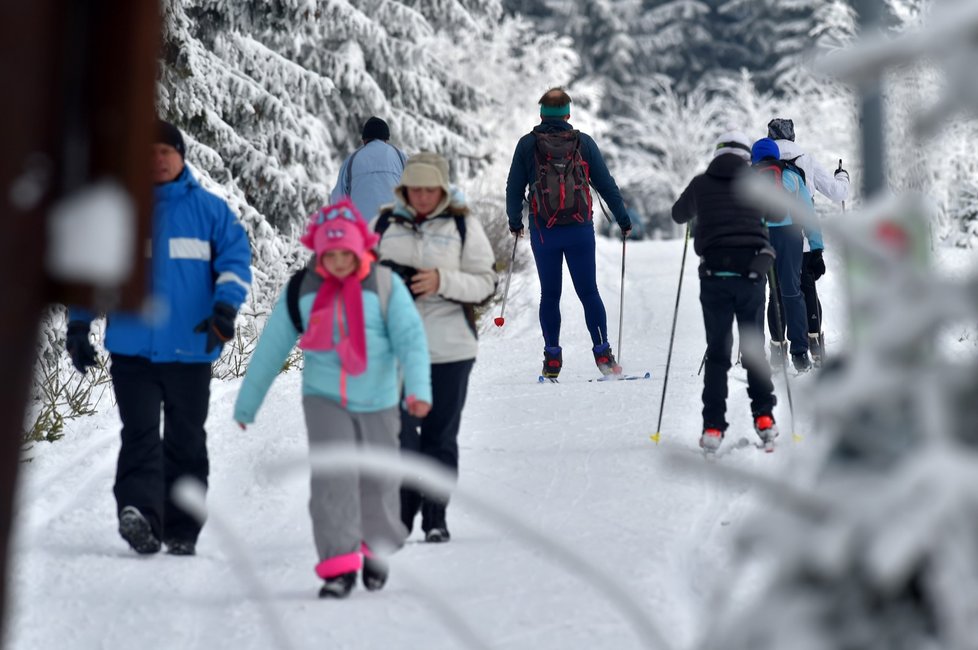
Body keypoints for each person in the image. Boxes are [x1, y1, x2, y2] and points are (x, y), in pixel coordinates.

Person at [64, 120, 252, 556]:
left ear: (181, 156)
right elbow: (94, 272)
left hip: (191, 348)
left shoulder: (211, 211)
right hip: (133, 350)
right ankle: (140, 515)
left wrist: (224, 307)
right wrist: (78, 324)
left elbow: (235, 262)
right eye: (148, 153)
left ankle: (182, 528)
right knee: (140, 435)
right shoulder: (122, 212)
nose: (157, 160)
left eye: (165, 152)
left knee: (186, 440)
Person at [233, 199, 432, 598]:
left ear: (361, 248)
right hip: (323, 400)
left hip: (378, 398)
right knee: (332, 481)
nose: (340, 261)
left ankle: (374, 546)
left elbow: (411, 340)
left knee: (378, 479)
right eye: (331, 254)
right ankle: (339, 567)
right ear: (320, 251)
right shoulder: (302, 290)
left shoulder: (384, 285)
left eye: (347, 253)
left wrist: (418, 390)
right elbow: (271, 348)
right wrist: (247, 403)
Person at [372, 152, 496, 543]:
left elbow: (486, 283)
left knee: (440, 437)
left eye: (430, 189)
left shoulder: (463, 224)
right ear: (404, 188)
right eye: (415, 188)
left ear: (441, 189)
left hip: (450, 349)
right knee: (401, 438)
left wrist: (442, 281)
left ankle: (436, 518)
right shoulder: (384, 223)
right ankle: (402, 517)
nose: (422, 196)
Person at [505, 87, 632, 379]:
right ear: (568, 114)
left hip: (543, 230)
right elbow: (605, 184)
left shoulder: (527, 145)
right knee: (589, 292)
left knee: (550, 294)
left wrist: (515, 221)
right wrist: (622, 219)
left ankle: (552, 359)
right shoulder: (583, 143)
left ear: (541, 115)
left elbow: (514, 188)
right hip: (579, 229)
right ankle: (603, 355)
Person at [671, 131, 779, 453]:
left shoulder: (701, 183)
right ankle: (765, 420)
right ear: (747, 157)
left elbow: (678, 215)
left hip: (714, 275)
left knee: (718, 353)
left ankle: (713, 428)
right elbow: (775, 214)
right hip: (751, 274)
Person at [767, 117, 850, 363]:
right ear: (792, 136)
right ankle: (813, 346)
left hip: (769, 237)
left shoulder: (761, 161)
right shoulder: (806, 158)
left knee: (776, 294)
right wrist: (843, 176)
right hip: (800, 238)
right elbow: (837, 192)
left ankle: (777, 351)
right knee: (805, 289)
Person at [751, 137, 816, 372]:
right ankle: (800, 355)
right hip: (789, 236)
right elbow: (807, 213)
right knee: (792, 292)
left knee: (772, 294)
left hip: (760, 237)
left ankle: (778, 353)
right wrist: (816, 247)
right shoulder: (791, 175)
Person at [329, 116, 407, 221]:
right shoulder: (399, 156)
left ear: (364, 140)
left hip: (362, 229)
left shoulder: (351, 160)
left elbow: (338, 199)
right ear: (386, 139)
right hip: (393, 225)